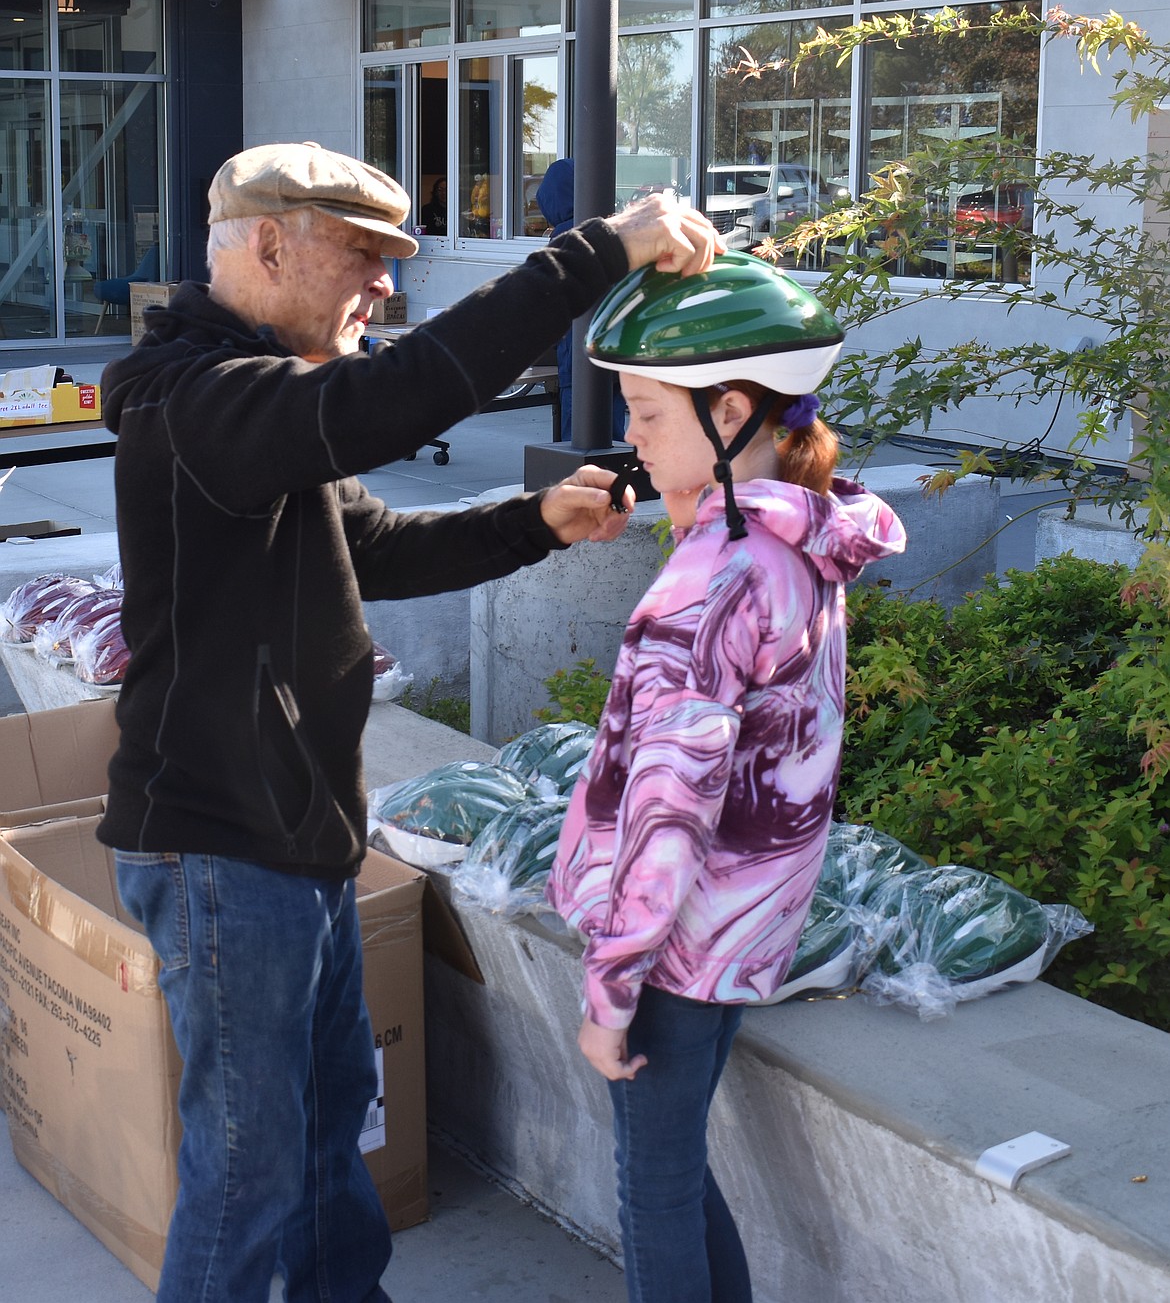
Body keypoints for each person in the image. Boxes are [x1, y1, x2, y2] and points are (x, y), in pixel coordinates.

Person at [96, 139, 720, 1303]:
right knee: (251, 1174)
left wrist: (530, 519)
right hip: (222, 841)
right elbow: (404, 394)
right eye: (364, 256)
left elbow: (369, 547)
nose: (386, 286)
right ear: (269, 244)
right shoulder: (206, 402)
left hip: (297, 830)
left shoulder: (263, 401)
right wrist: (598, 253)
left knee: (330, 1141)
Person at [546, 251, 907, 1303]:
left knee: (651, 1186)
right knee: (675, 1171)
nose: (632, 439)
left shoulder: (709, 581)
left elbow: (668, 814)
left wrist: (610, 989)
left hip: (671, 946)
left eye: (648, 414)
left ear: (732, 412)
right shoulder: (801, 539)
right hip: (744, 928)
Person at [535, 157, 628, 441]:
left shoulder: (563, 241)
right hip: (616, 353)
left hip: (577, 360)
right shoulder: (611, 232)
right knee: (614, 438)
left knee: (577, 441)